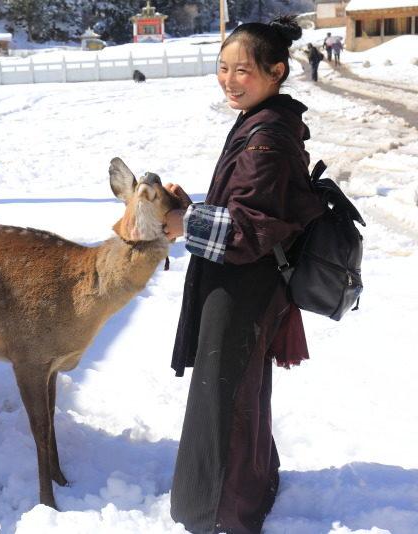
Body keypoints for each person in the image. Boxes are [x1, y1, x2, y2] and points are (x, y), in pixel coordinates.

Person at [161, 15, 325, 534]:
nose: (230, 80)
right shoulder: (264, 120)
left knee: (223, 398)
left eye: (244, 70)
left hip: (244, 286)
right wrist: (196, 209)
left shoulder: (267, 135)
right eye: (222, 68)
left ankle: (219, 516)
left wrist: (184, 221)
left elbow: (252, 230)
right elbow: (251, 207)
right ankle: (251, 488)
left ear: (276, 72)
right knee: (242, 390)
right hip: (248, 283)